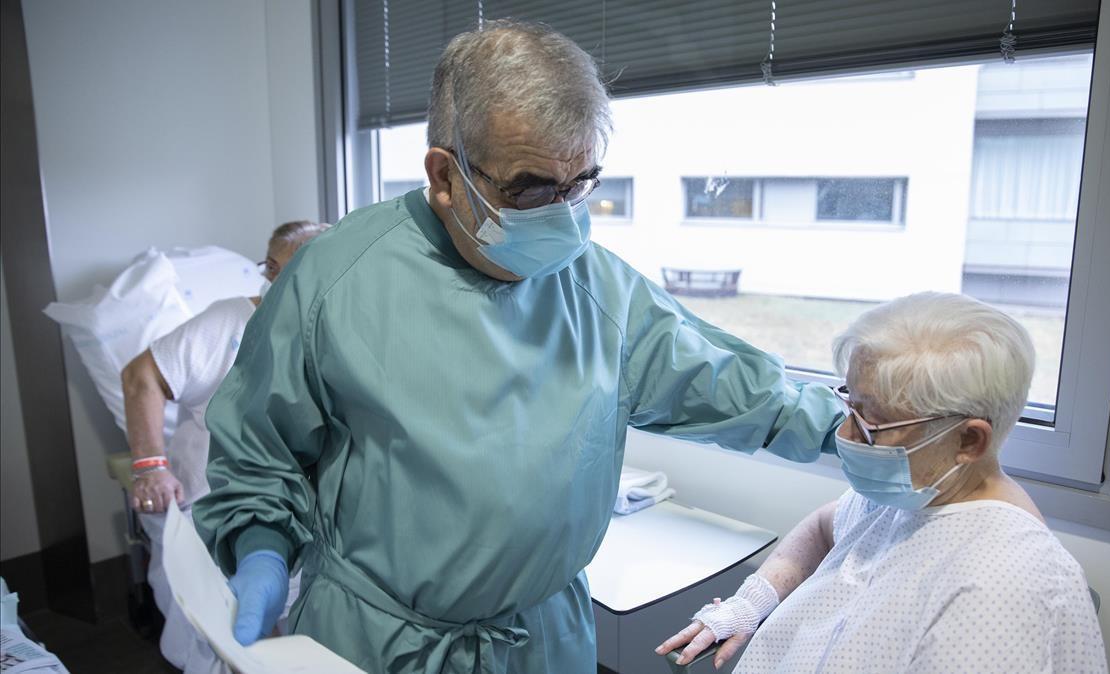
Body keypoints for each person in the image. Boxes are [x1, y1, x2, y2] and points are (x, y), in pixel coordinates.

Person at [193, 20, 845, 674]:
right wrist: (260, 549)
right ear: (444, 176)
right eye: (531, 189)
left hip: (540, 643)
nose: (563, 216)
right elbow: (260, 449)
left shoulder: (601, 293)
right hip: (375, 644)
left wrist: (865, 427)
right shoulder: (335, 280)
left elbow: (733, 386)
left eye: (582, 183)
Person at [658, 292, 1107, 673]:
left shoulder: (999, 590)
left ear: (969, 440)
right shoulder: (915, 490)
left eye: (873, 424)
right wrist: (752, 603)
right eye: (850, 407)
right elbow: (822, 528)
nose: (845, 436)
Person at [120, 220, 328, 672]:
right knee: (222, 638)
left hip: (300, 511)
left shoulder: (331, 331)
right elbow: (142, 377)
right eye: (274, 270)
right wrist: (151, 467)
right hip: (211, 505)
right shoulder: (230, 322)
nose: (280, 284)